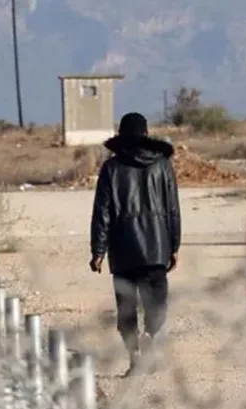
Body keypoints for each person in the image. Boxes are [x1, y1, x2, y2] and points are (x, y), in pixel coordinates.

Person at [89, 112, 180, 377]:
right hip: (157, 247)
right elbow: (173, 209)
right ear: (146, 134)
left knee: (126, 308)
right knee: (157, 303)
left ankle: (135, 358)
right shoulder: (163, 166)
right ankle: (150, 335)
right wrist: (174, 245)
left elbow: (102, 212)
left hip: (123, 249)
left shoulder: (111, 168)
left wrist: (98, 251)